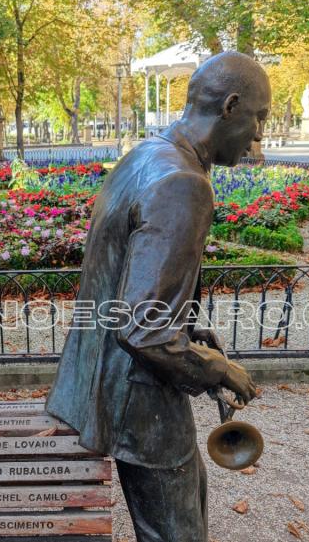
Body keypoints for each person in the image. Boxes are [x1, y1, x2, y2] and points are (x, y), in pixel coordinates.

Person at [46, 51, 271, 542]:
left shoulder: (147, 153)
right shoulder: (183, 182)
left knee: (186, 509)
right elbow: (144, 329)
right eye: (259, 118)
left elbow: (129, 291)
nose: (259, 136)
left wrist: (189, 336)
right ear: (231, 106)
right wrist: (218, 368)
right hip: (139, 399)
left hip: (111, 382)